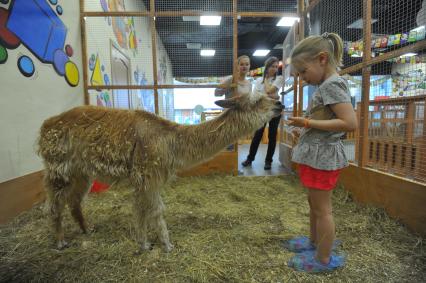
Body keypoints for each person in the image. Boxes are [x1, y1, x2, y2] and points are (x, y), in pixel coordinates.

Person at [282, 32, 357, 273]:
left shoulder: (332, 84)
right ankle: (314, 243)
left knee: (323, 209)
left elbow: (349, 123)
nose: (302, 78)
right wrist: (305, 129)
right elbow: (325, 119)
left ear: (322, 59)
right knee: (314, 203)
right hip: (316, 154)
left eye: (303, 71)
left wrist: (307, 124)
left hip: (323, 157)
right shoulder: (326, 85)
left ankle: (322, 258)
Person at [241, 56, 284, 170]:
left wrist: (266, 83)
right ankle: (250, 159)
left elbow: (270, 91)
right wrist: (273, 95)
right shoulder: (258, 80)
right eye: (272, 66)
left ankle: (268, 161)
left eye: (276, 67)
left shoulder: (279, 78)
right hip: (261, 111)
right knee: (257, 135)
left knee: (272, 136)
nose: (274, 69)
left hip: (274, 111)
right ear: (267, 67)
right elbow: (256, 97)